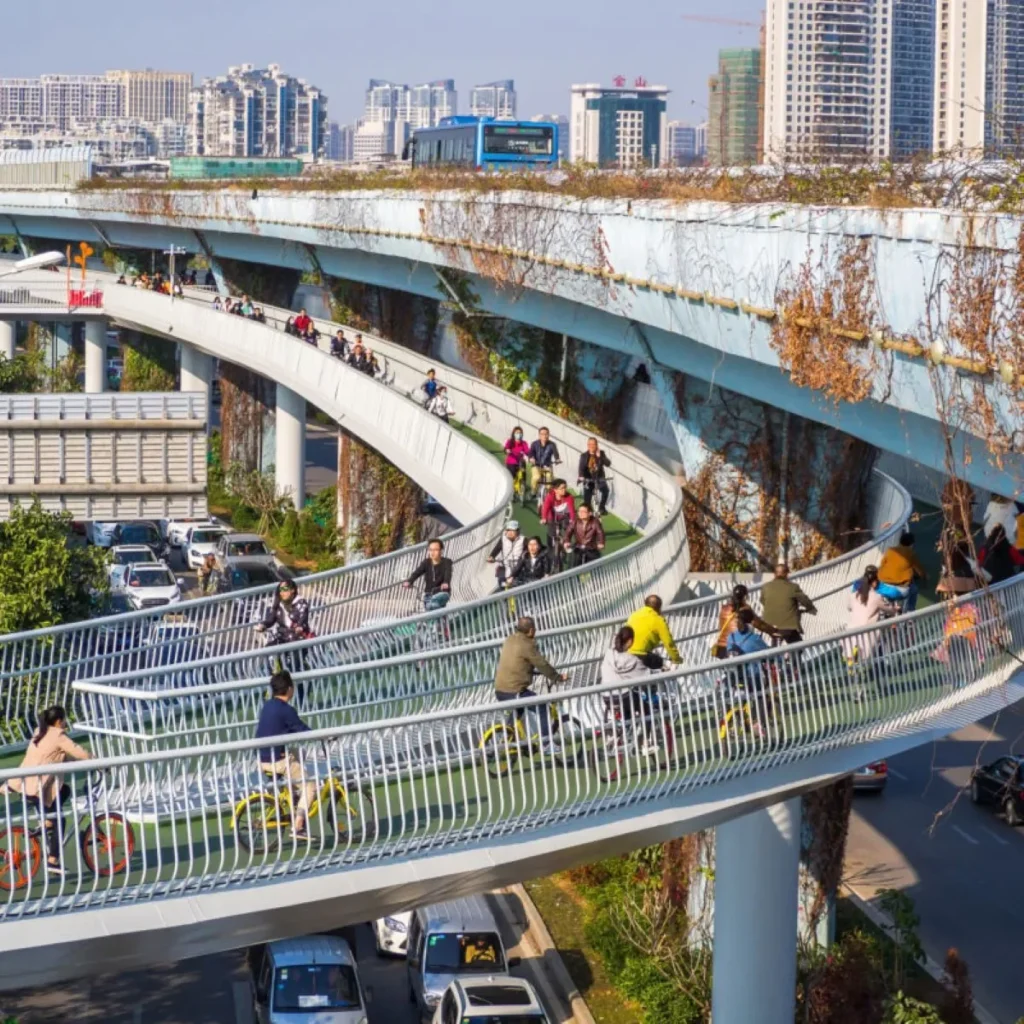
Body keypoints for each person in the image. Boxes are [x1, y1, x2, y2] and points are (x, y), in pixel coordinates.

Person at [1, 706, 90, 874]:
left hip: (24, 784)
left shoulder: (39, 731)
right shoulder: (58, 736)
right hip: (37, 789)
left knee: (65, 791)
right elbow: (79, 752)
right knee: (60, 821)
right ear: (58, 721)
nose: (65, 722)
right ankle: (52, 860)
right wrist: (98, 762)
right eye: (64, 719)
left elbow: (60, 754)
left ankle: (46, 822)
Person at [255, 671, 315, 840]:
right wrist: (323, 735)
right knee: (310, 786)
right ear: (289, 689)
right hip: (277, 761)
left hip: (262, 758)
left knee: (297, 753)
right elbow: (302, 730)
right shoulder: (287, 710)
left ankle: (294, 794)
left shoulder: (267, 705)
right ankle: (298, 826)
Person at [494, 617, 567, 754]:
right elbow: (542, 664)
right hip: (514, 691)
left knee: (519, 709)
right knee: (543, 706)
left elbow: (518, 662)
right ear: (531, 630)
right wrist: (557, 677)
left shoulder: (510, 639)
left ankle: (510, 734)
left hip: (500, 689)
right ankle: (546, 744)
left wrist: (529, 670)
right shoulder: (527, 644)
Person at [711, 584, 774, 659]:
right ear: (745, 596)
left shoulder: (724, 609)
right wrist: (772, 630)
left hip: (722, 648)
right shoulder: (745, 609)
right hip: (739, 647)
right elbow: (758, 624)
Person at [760, 563, 817, 644]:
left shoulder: (765, 587)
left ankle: (778, 654)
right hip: (787, 625)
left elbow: (762, 601)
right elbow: (804, 600)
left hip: (768, 625)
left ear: (774, 574)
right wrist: (810, 608)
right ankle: (789, 656)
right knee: (798, 647)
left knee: (774, 644)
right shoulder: (793, 587)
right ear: (787, 574)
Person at [843, 565, 887, 666]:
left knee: (855, 641)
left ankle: (852, 660)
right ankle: (864, 660)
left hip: (854, 620)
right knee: (874, 637)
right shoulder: (876, 588)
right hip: (868, 621)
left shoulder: (857, 584)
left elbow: (850, 605)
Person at [626, 595, 681, 669]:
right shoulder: (659, 620)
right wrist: (676, 659)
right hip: (642, 656)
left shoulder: (633, 615)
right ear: (659, 607)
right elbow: (668, 643)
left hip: (626, 653)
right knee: (667, 666)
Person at [877, 532, 927, 611]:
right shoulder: (911, 553)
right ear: (912, 544)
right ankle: (910, 614)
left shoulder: (890, 550)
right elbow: (919, 570)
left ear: (900, 541)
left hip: (882, 586)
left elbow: (882, 564)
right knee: (914, 590)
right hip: (899, 590)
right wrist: (924, 577)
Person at [255, 579, 312, 646]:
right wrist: (263, 625)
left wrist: (299, 627)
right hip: (283, 638)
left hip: (298, 639)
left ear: (292, 590)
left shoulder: (301, 603)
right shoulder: (279, 605)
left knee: (294, 648)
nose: (282, 593)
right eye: (280, 590)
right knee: (268, 649)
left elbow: (303, 618)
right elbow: (271, 619)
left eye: (284, 589)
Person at [403, 538, 452, 610]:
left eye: (435, 550)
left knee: (432, 605)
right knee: (432, 610)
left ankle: (440, 614)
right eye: (430, 550)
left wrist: (445, 582)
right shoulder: (426, 563)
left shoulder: (446, 562)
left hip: (442, 593)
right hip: (429, 594)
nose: (432, 552)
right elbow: (417, 572)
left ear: (441, 551)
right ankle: (442, 617)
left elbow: (448, 573)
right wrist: (409, 581)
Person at [540, 479, 575, 567]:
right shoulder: (550, 497)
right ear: (555, 490)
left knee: (567, 528)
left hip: (564, 517)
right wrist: (544, 518)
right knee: (551, 533)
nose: (564, 490)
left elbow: (571, 510)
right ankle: (552, 551)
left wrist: (572, 520)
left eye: (565, 487)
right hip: (553, 518)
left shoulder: (569, 497)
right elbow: (545, 508)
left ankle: (566, 544)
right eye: (562, 488)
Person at [577, 437, 612, 516]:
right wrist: (581, 476)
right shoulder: (584, 455)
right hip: (588, 479)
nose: (592, 446)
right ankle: (588, 515)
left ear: (597, 445)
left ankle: (602, 507)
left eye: (593, 444)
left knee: (605, 491)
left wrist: (600, 457)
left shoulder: (601, 453)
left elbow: (608, 464)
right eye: (590, 444)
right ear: (587, 445)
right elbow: (581, 468)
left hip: (599, 478)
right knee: (587, 501)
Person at [488, 520, 526, 591]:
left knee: (514, 587)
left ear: (518, 531)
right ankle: (503, 597)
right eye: (508, 530)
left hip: (516, 568)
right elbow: (497, 548)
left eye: (513, 530)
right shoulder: (503, 538)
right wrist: (492, 556)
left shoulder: (523, 540)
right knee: (502, 585)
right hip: (504, 566)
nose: (510, 532)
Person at [528, 427, 561, 496]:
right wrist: (531, 458)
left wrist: (557, 459)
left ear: (548, 435)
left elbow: (556, 454)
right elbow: (531, 453)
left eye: (546, 434)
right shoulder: (534, 444)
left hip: (547, 466)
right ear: (539, 435)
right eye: (542, 434)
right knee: (536, 477)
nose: (544, 436)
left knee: (549, 485)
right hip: (536, 465)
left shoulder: (552, 444)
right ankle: (533, 490)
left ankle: (546, 497)